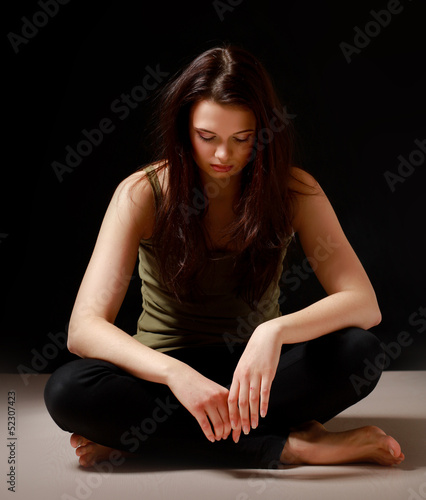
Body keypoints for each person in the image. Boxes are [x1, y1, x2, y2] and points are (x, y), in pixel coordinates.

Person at [44, 44, 405, 469]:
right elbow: (83, 328)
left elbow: (364, 304)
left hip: (258, 377)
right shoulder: (142, 194)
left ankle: (148, 440)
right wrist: (177, 375)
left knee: (359, 352)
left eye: (242, 139)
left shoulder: (294, 190)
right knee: (68, 390)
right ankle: (292, 445)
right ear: (184, 130)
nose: (222, 155)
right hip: (164, 377)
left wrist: (273, 333)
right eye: (207, 137)